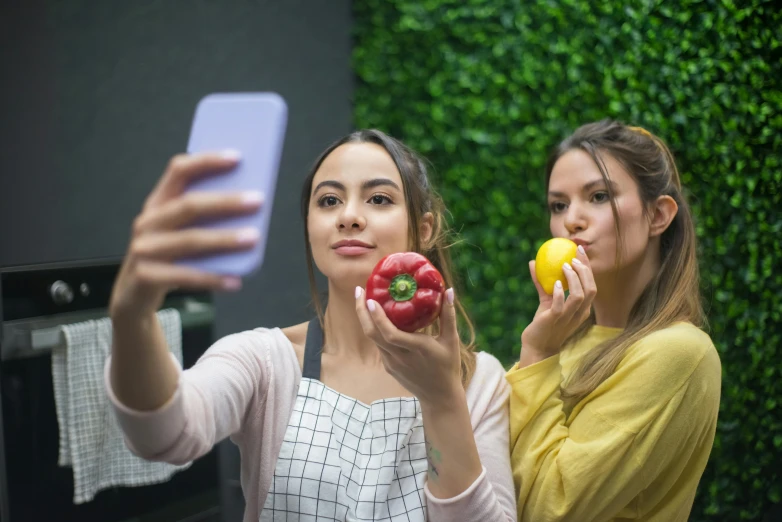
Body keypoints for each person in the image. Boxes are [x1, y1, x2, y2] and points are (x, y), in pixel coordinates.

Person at [106, 129, 517, 521]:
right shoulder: (264, 363)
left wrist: (444, 400)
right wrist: (132, 317)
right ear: (309, 225)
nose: (349, 216)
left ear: (423, 229)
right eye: (328, 201)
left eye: (377, 198)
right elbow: (163, 435)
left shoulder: (478, 382)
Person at [507, 119, 721, 521]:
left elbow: (549, 509)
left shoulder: (678, 352)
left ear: (658, 215)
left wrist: (536, 352)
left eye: (599, 196)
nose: (572, 220)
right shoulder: (566, 341)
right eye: (559, 205)